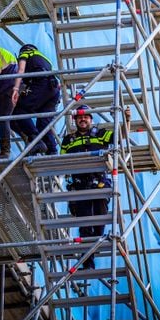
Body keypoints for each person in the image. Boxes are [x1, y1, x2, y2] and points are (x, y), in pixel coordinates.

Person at [61, 104, 114, 269]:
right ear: (75, 120)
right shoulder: (68, 140)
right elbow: (61, 162)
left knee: (99, 225)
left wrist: (126, 119)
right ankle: (87, 263)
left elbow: (120, 137)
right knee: (85, 228)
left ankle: (92, 251)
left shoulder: (101, 133)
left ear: (91, 119)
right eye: (79, 117)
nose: (82, 119)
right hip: (80, 187)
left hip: (99, 185)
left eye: (86, 117)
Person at [10, 44, 60, 155]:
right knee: (43, 123)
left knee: (19, 110)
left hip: (42, 84)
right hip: (54, 89)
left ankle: (35, 140)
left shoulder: (26, 53)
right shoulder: (45, 60)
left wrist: (16, 88)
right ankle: (52, 152)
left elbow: (21, 70)